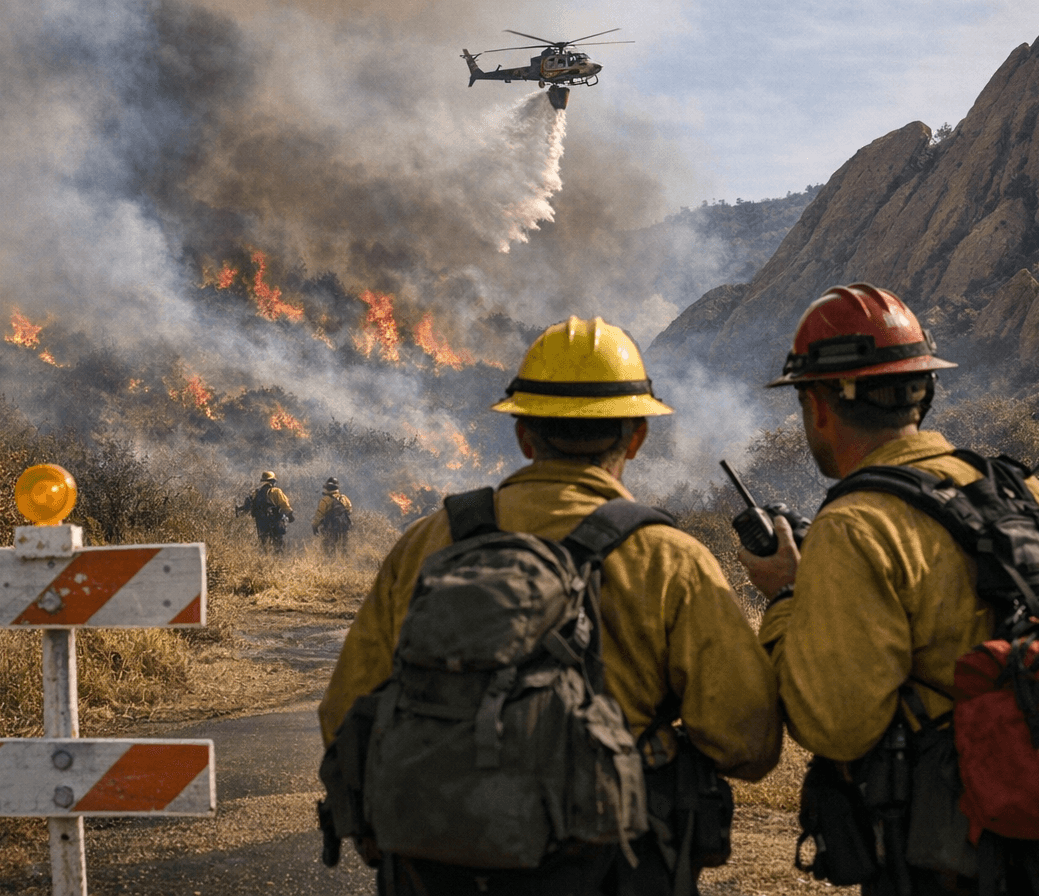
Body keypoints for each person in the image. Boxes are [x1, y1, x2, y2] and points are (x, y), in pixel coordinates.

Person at [320, 315, 781, 895]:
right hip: (611, 868)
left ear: (523, 436)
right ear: (636, 436)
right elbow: (747, 742)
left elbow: (344, 713)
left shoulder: (427, 541)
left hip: (435, 870)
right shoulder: (669, 560)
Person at [738, 283, 1039, 896]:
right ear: (924, 391)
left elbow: (834, 728)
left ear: (820, 404)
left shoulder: (855, 525)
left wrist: (786, 596)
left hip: (951, 862)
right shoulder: (1026, 495)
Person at [238, 471, 294, 554]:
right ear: (272, 481)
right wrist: (290, 516)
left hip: (261, 524)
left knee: (264, 546)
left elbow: (248, 507)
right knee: (278, 545)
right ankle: (278, 562)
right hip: (274, 522)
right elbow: (285, 505)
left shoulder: (256, 493)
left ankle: (265, 562)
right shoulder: (276, 491)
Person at [312, 477, 352, 557]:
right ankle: (345, 564)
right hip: (344, 528)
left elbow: (319, 515)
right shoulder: (343, 498)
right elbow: (349, 510)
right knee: (343, 547)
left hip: (330, 528)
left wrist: (314, 526)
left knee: (328, 547)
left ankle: (330, 565)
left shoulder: (325, 500)